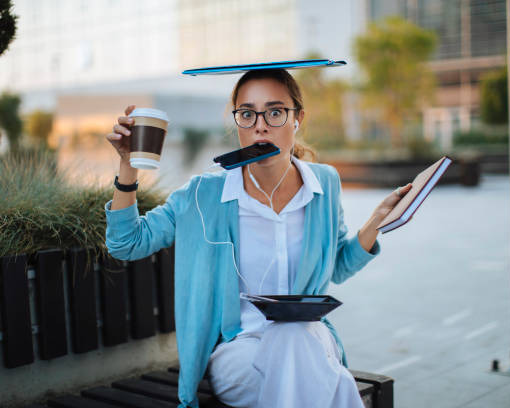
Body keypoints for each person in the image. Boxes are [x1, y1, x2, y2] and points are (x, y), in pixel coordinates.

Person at [104, 68, 412, 408]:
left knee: (295, 337)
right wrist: (128, 167)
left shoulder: (324, 184)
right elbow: (126, 243)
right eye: (247, 114)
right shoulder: (204, 196)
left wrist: (375, 223)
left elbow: (337, 266)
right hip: (239, 352)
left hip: (310, 339)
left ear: (298, 119)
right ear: (237, 122)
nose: (260, 126)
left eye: (276, 112)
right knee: (328, 380)